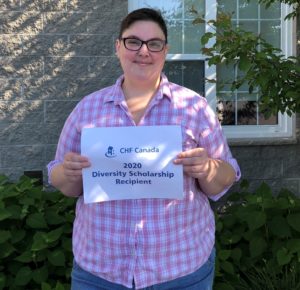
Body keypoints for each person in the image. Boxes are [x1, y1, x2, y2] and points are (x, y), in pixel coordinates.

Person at [47, 8, 241, 290]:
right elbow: (62, 182)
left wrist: (207, 168)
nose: (144, 51)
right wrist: (69, 171)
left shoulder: (194, 108)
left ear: (165, 50)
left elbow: (224, 178)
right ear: (118, 46)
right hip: (100, 272)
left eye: (154, 43)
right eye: (133, 41)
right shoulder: (87, 109)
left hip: (180, 270)